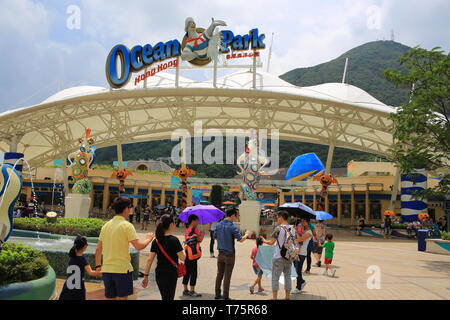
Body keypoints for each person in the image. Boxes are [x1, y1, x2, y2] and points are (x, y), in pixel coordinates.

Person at [95, 197, 154, 300]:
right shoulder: (127, 226)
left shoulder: (106, 225)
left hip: (107, 270)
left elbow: (98, 249)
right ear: (126, 209)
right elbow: (138, 246)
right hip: (122, 270)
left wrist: (98, 266)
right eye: (130, 207)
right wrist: (149, 239)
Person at [141, 214, 185, 300]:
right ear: (171, 225)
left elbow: (149, 259)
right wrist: (185, 250)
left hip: (159, 273)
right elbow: (182, 258)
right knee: (168, 297)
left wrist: (145, 276)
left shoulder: (156, 241)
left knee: (164, 296)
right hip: (171, 273)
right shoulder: (174, 240)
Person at [214, 208, 251, 300]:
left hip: (220, 253)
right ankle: (225, 296)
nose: (238, 217)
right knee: (227, 276)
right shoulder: (232, 226)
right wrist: (246, 234)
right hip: (229, 254)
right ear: (232, 216)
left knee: (219, 274)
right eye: (237, 215)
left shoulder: (218, 225)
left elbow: (215, 236)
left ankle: (217, 294)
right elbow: (241, 239)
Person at [260, 210, 295, 300]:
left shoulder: (279, 228)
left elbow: (271, 242)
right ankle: (287, 297)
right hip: (289, 256)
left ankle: (274, 298)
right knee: (288, 277)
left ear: (281, 217)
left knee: (275, 278)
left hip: (278, 257)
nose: (277, 219)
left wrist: (264, 240)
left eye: (277, 217)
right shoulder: (292, 229)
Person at [59, 236, 102, 300]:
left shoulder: (71, 257)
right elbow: (91, 273)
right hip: (78, 289)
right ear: (84, 247)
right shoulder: (82, 259)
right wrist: (104, 272)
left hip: (68, 287)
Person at [182, 214, 204, 297]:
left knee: (186, 271)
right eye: (197, 220)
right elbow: (199, 240)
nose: (198, 222)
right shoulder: (194, 230)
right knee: (193, 272)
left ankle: (185, 289)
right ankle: (192, 290)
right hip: (193, 252)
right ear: (193, 221)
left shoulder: (187, 229)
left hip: (187, 251)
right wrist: (202, 234)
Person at [292, 218, 313, 294]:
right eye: (301, 221)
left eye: (304, 221)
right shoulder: (301, 230)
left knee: (298, 270)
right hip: (296, 252)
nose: (302, 222)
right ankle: (302, 281)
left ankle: (298, 287)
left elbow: (300, 240)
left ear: (307, 222)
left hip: (302, 253)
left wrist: (296, 232)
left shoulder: (309, 232)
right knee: (294, 269)